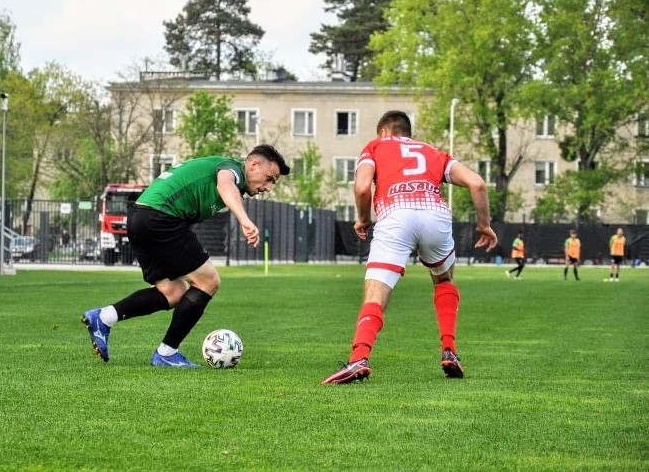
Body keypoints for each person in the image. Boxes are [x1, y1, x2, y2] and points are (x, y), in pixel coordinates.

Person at [322, 110, 497, 385]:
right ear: (407, 133)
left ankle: (359, 357)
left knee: (375, 293)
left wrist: (364, 219)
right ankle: (449, 350)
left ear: (384, 132)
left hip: (396, 215)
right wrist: (484, 225)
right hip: (434, 214)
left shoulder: (375, 146)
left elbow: (362, 187)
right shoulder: (433, 152)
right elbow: (477, 183)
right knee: (444, 280)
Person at [81, 144, 290, 368]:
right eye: (269, 178)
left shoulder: (221, 171)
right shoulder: (233, 169)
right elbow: (225, 183)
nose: (268, 187)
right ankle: (167, 353)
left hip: (140, 219)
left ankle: (104, 318)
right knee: (208, 281)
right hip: (160, 218)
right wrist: (245, 220)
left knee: (173, 292)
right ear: (253, 164)